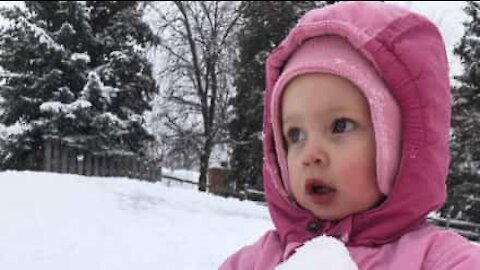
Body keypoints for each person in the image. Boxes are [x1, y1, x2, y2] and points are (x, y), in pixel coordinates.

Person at [220, 1, 480, 269]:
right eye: (295, 135)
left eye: (339, 126)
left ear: (399, 144)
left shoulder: (438, 260)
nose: (310, 155)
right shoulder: (253, 262)